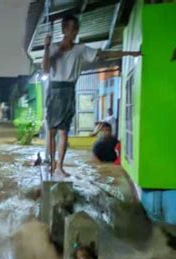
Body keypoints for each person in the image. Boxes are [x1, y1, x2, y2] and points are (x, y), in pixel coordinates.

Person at [43, 14, 141, 177]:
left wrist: (130, 53)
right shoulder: (52, 48)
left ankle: (59, 166)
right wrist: (46, 48)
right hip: (55, 90)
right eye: (71, 29)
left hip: (69, 89)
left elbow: (103, 55)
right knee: (52, 130)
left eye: (76, 29)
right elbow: (46, 69)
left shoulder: (80, 49)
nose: (74, 32)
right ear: (64, 30)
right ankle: (52, 163)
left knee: (64, 131)